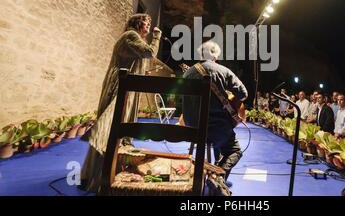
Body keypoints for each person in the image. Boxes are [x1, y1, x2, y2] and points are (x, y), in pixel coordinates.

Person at [80, 13, 162, 193]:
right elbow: (149, 52)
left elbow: (139, 60)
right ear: (137, 23)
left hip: (125, 86)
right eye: (146, 22)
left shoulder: (132, 38)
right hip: (119, 87)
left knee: (114, 130)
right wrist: (157, 37)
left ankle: (94, 174)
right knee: (111, 128)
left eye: (150, 23)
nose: (149, 26)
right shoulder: (131, 35)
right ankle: (100, 177)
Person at [182, 41, 248, 181]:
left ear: (201, 54)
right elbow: (243, 94)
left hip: (191, 129)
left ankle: (215, 167)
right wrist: (229, 97)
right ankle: (217, 177)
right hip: (215, 129)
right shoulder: (223, 71)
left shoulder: (187, 73)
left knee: (220, 132)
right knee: (235, 150)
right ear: (215, 56)